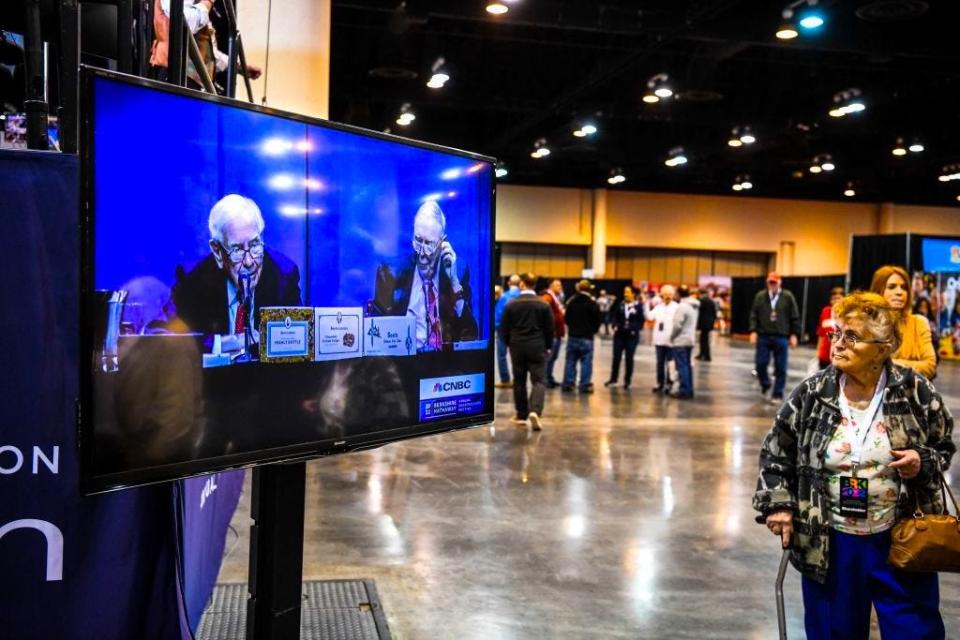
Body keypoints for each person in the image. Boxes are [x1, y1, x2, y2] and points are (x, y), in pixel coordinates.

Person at [755, 291, 954, 640]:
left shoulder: (913, 390)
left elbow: (943, 445)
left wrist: (922, 461)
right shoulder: (813, 393)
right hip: (829, 540)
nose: (838, 344)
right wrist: (780, 504)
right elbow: (776, 451)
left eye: (852, 336)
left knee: (914, 630)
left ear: (883, 347)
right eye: (836, 333)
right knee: (834, 630)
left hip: (901, 533)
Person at [173, 194, 302, 349]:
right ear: (217, 251)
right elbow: (178, 344)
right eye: (237, 250)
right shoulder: (192, 279)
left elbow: (296, 340)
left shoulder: (283, 275)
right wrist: (226, 343)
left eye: (255, 245)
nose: (249, 262)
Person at [372, 201, 478, 352]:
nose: (421, 252)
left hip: (442, 366)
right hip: (402, 364)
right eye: (417, 240)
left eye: (429, 243)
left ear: (443, 243)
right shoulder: (389, 272)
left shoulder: (458, 271)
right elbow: (375, 337)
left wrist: (454, 281)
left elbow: (471, 333)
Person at [500, 273, 554, 431]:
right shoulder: (543, 305)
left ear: (522, 284)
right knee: (539, 380)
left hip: (517, 346)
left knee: (519, 381)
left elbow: (504, 329)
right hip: (537, 346)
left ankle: (521, 415)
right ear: (534, 285)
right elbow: (550, 329)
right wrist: (548, 346)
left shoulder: (511, 304)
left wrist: (510, 343)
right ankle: (535, 411)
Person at [870, 265, 937, 379]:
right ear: (878, 290)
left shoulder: (919, 323)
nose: (900, 292)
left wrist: (887, 364)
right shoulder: (865, 323)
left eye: (904, 287)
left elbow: (930, 366)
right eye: (892, 287)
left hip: (909, 394)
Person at [749, 272, 801, 404]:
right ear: (767, 282)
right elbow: (753, 314)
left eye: (774, 282)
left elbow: (794, 316)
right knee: (760, 364)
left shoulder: (787, 297)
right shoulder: (760, 296)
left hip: (781, 336)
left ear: (780, 283)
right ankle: (765, 383)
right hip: (763, 336)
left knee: (781, 367)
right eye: (770, 282)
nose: (772, 285)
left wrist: (794, 334)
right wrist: (753, 331)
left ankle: (777, 394)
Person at [561, 280, 601, 393]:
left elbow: (566, 318)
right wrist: (592, 330)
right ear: (589, 289)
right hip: (586, 337)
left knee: (570, 360)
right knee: (586, 361)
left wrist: (572, 328)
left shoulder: (572, 302)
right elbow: (597, 320)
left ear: (578, 289)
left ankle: (568, 383)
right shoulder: (592, 303)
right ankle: (584, 385)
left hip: (573, 336)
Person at [604, 286, 642, 389]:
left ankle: (627, 381)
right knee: (616, 358)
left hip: (631, 337)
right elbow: (614, 317)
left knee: (629, 359)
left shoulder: (638, 306)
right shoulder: (620, 304)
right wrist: (614, 325)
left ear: (633, 294)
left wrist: (634, 328)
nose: (625, 294)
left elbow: (640, 321)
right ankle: (613, 379)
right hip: (619, 335)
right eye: (625, 292)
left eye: (628, 292)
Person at [646, 284, 678, 394]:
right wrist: (646, 303)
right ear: (661, 295)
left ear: (673, 295)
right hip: (659, 340)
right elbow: (649, 317)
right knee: (659, 363)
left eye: (670, 294)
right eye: (665, 294)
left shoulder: (677, 307)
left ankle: (670, 383)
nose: (667, 296)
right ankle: (660, 383)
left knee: (671, 364)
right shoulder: (658, 307)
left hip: (671, 341)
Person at [669, 285, 699, 399]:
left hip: (681, 340)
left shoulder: (682, 307)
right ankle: (689, 389)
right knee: (687, 366)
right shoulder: (694, 306)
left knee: (681, 366)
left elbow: (677, 325)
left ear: (679, 294)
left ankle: (684, 390)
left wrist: (672, 337)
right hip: (690, 340)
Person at [494, 275, 521, 388]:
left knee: (501, 356)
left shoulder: (504, 297)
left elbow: (498, 315)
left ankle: (505, 380)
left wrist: (497, 327)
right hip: (519, 332)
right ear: (520, 284)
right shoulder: (522, 297)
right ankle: (519, 379)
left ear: (509, 283)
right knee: (518, 356)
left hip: (503, 331)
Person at [542, 279, 566, 388]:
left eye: (560, 285)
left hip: (557, 334)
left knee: (552, 358)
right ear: (551, 286)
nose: (560, 287)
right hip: (552, 334)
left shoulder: (556, 297)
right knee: (548, 358)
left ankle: (549, 377)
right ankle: (545, 379)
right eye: (557, 285)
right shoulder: (548, 297)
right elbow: (542, 312)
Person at [816, 287, 846, 369]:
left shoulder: (846, 315)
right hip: (824, 355)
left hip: (839, 354)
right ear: (830, 300)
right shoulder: (825, 311)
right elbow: (821, 333)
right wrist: (818, 352)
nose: (836, 301)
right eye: (834, 299)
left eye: (839, 298)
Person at [695, 288, 717, 361]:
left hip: (703, 323)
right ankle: (702, 354)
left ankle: (706, 356)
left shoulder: (701, 301)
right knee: (704, 339)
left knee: (704, 340)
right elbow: (714, 313)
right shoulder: (711, 301)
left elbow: (699, 313)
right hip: (709, 323)